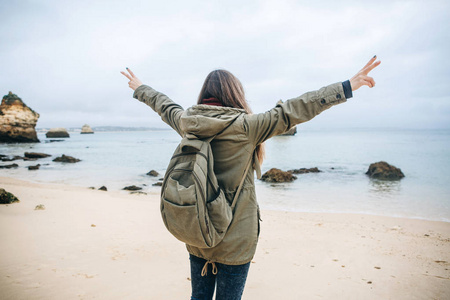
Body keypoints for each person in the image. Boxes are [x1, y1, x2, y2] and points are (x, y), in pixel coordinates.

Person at [121, 56, 381, 300]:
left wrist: (140, 87)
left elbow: (165, 106)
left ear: (205, 94)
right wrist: (347, 86)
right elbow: (296, 108)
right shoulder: (247, 127)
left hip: (198, 230)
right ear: (235, 93)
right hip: (236, 239)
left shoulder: (187, 123)